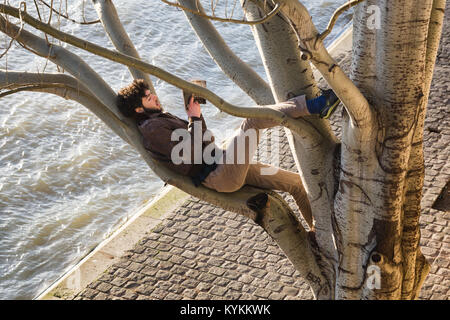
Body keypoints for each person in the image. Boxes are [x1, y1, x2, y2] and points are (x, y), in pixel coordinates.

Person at [117, 79, 340, 229]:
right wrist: (193, 118)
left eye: (151, 93)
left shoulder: (159, 119)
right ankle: (316, 106)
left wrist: (195, 115)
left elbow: (204, 139)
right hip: (220, 175)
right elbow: (188, 156)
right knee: (251, 121)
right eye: (148, 98)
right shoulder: (152, 130)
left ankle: (319, 233)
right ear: (138, 109)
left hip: (223, 162)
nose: (155, 97)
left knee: (296, 184)